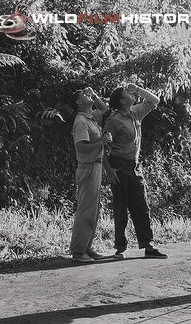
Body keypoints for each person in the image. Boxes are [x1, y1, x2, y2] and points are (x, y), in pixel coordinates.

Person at [103, 83, 167, 259]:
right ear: (122, 100)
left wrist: (137, 89)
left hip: (135, 166)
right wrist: (108, 170)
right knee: (121, 208)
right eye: (128, 93)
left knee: (142, 206)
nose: (132, 95)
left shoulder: (135, 113)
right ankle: (120, 248)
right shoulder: (113, 120)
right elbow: (103, 146)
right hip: (119, 166)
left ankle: (148, 246)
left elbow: (155, 100)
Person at [69, 87, 112, 263]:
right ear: (79, 102)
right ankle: (78, 251)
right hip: (88, 167)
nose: (88, 96)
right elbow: (81, 147)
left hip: (96, 166)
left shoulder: (91, 117)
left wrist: (94, 95)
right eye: (85, 96)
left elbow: (104, 109)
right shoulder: (81, 122)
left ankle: (86, 247)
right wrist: (102, 141)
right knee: (86, 209)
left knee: (93, 210)